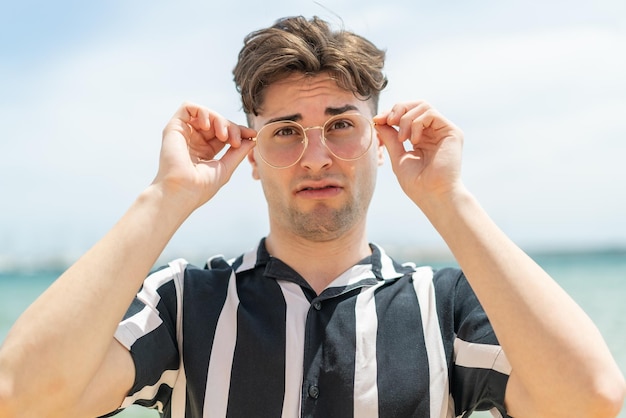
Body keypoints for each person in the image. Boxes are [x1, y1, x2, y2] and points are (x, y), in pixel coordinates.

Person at [0, 15, 624, 418]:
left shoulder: (447, 303)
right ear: (251, 153)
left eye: (342, 126)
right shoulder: (187, 300)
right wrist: (165, 196)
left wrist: (448, 200)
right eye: (286, 131)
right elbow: (23, 398)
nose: (315, 156)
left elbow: (591, 400)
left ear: (380, 141)